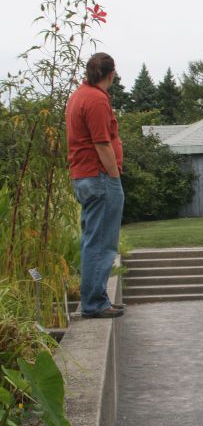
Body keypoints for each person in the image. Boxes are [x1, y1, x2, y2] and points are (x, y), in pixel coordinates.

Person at [66, 52, 125, 318]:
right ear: (110, 73)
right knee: (102, 242)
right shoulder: (96, 99)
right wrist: (114, 176)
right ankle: (95, 304)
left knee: (93, 239)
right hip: (99, 176)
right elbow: (102, 142)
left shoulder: (79, 95)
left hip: (84, 175)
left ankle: (96, 298)